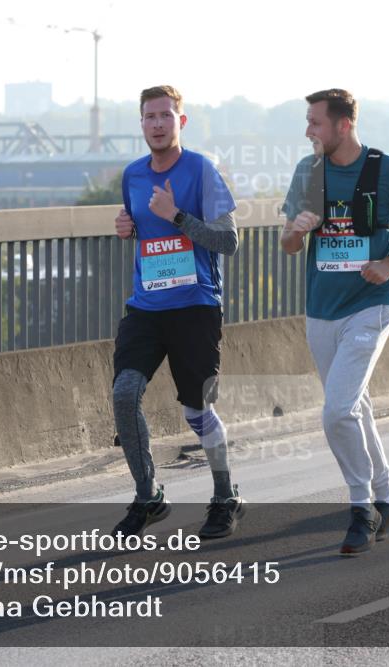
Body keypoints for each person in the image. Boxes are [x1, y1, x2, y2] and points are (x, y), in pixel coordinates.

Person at [280, 89, 389, 556]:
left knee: (337, 411)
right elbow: (287, 244)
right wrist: (297, 231)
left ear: (343, 125)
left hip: (372, 305)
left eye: (315, 122)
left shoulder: (386, 170)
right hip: (321, 308)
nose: (308, 131)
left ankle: (360, 507)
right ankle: (388, 497)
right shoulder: (308, 172)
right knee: (355, 405)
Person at [111, 85, 245, 540]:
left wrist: (178, 217)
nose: (157, 124)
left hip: (195, 307)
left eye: (166, 116)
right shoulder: (132, 175)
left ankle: (225, 497)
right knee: (125, 394)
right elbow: (141, 229)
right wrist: (127, 228)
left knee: (197, 410)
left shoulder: (201, 170)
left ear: (180, 122)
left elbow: (229, 241)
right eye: (149, 117)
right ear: (141, 123)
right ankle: (148, 496)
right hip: (146, 307)